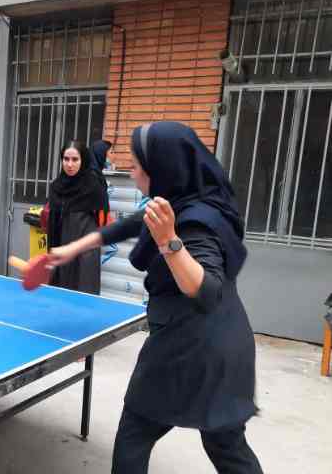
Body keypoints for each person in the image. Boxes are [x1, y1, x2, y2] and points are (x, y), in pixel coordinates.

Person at [48, 122, 263, 474]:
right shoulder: (187, 199)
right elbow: (129, 225)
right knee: (226, 445)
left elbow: (207, 291)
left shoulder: (194, 222)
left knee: (133, 437)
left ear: (161, 169)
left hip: (189, 347)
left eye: (136, 166)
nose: (130, 171)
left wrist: (168, 243)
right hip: (228, 343)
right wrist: (71, 249)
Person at [46, 140, 106, 293]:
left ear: (83, 160)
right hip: (61, 245)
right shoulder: (55, 187)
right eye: (66, 159)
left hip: (85, 248)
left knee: (83, 290)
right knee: (60, 291)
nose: (70, 164)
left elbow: (102, 218)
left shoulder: (93, 186)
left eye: (75, 159)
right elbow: (52, 222)